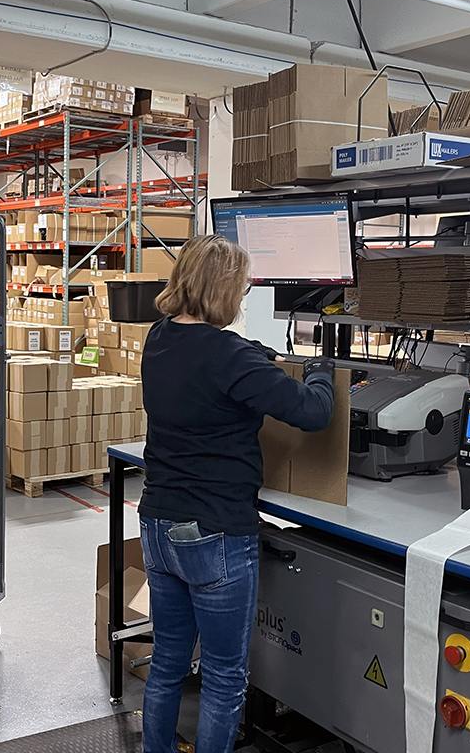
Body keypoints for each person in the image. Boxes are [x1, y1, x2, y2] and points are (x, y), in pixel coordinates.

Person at [138, 235, 337, 753]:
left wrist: (254, 355)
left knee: (167, 664)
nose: (244, 299)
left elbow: (206, 367)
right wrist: (322, 370)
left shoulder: (159, 338)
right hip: (215, 533)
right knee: (225, 679)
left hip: (159, 525)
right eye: (242, 289)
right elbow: (313, 413)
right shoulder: (229, 357)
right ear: (223, 289)